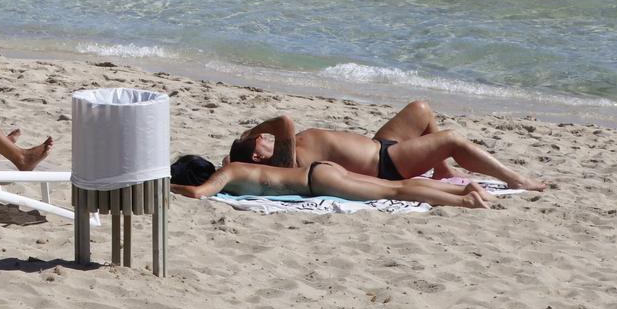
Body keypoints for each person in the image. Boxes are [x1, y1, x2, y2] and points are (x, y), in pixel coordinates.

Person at [226, 104, 548, 191]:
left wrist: (237, 151)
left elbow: (230, 162)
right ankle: (515, 179)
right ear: (257, 154)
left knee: (420, 110)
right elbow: (283, 121)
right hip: (385, 165)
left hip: (379, 145)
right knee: (451, 139)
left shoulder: (279, 153)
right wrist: (250, 132)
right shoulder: (283, 162)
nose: (265, 138)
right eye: (260, 141)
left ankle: (441, 169)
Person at [169, 153, 497, 208]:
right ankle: (463, 188)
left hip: (318, 182)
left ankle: (464, 199)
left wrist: (166, 186)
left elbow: (199, 194)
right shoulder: (234, 167)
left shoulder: (227, 175)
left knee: (395, 190)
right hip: (320, 170)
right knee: (391, 188)